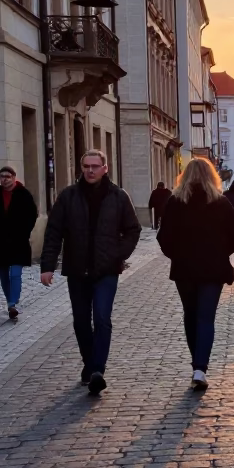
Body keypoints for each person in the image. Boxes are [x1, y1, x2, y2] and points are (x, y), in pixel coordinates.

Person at [40, 150, 141, 394]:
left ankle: (98, 369)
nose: (90, 170)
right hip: (77, 269)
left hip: (106, 270)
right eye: (86, 166)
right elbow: (54, 232)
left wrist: (118, 255)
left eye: (95, 166)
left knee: (103, 319)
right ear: (81, 168)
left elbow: (133, 230)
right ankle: (89, 363)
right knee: (81, 322)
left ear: (105, 168)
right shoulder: (68, 196)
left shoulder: (118, 196)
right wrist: (47, 266)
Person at [157, 158, 234, 391]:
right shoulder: (221, 202)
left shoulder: (175, 202)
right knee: (206, 317)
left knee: (190, 315)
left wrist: (177, 255)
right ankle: (200, 368)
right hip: (213, 269)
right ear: (211, 176)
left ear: (184, 176)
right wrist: (220, 253)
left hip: (184, 269)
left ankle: (196, 363)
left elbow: (163, 238)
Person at [0, 165, 39, 320]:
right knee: (3, 274)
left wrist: (25, 232)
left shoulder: (23, 194)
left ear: (14, 177)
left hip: (18, 240)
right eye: (2, 176)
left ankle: (14, 302)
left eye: (8, 176)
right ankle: (10, 302)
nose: (5, 179)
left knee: (15, 272)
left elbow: (31, 215)